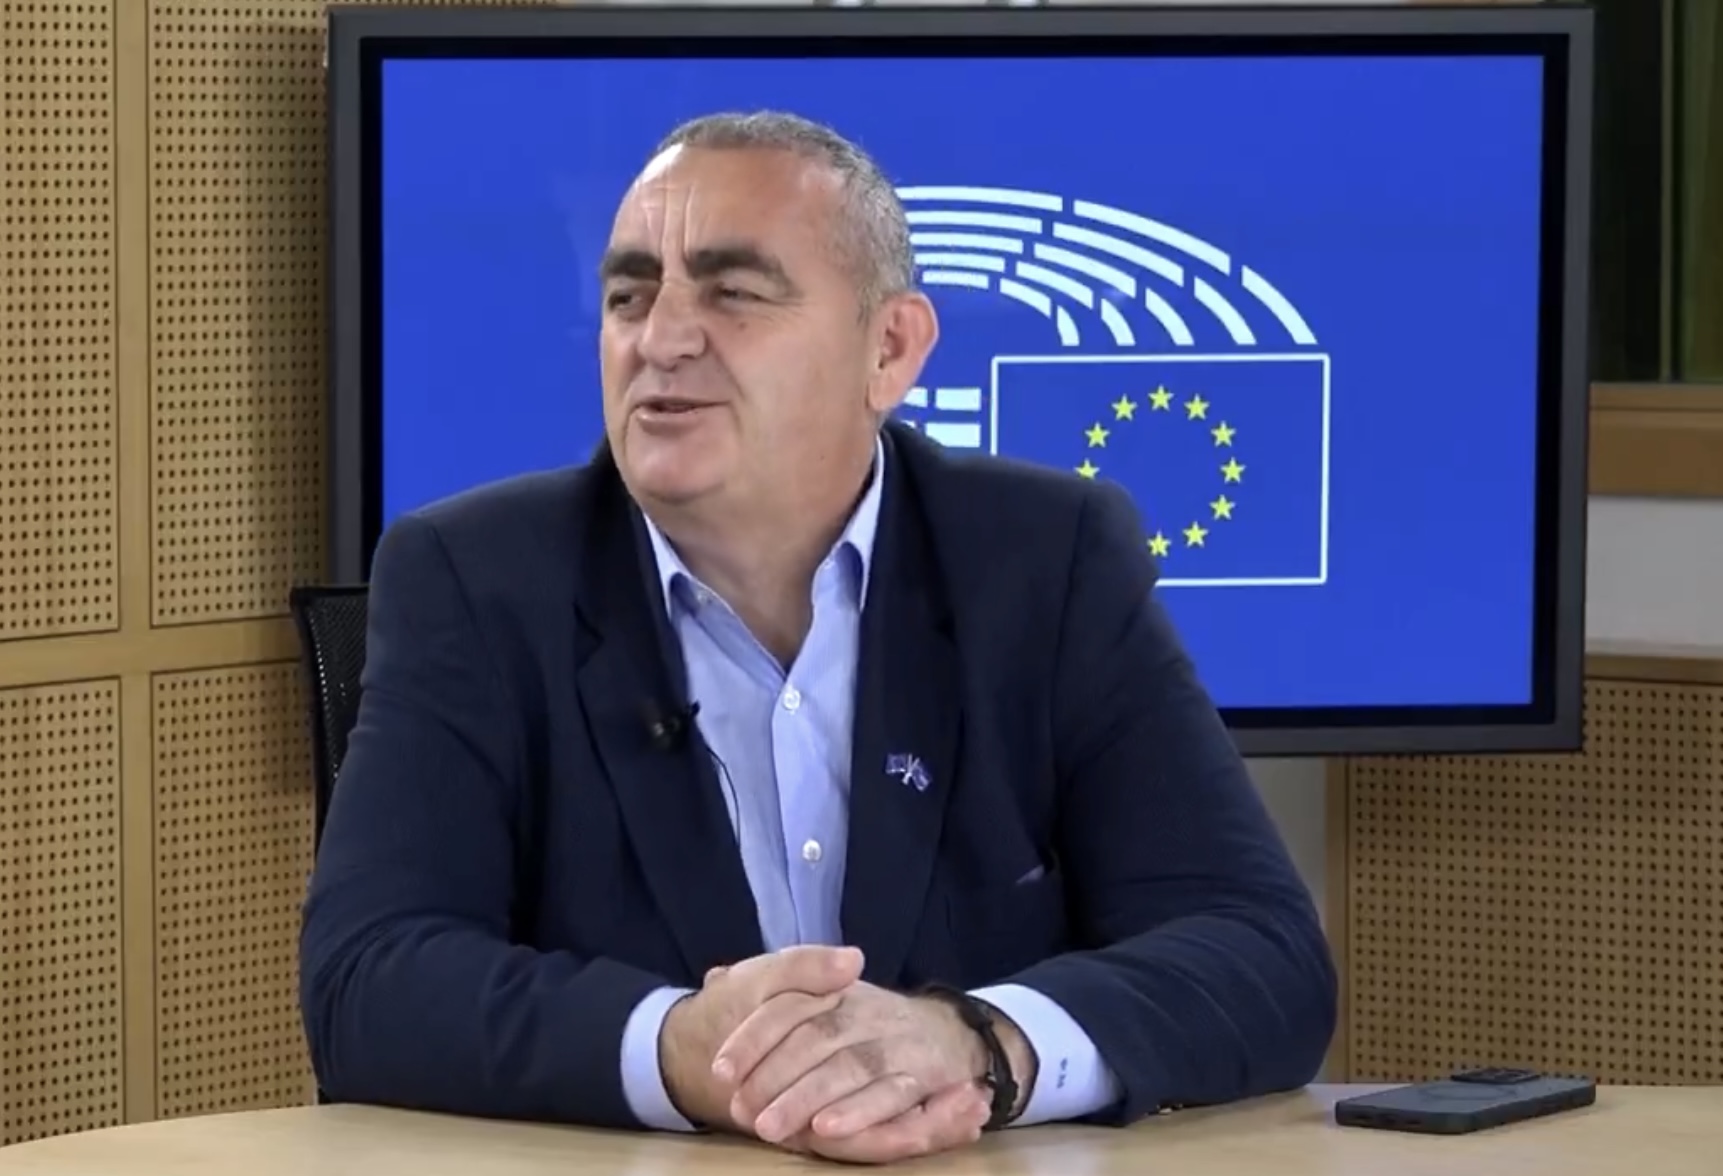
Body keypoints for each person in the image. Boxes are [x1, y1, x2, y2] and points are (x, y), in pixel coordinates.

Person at [298, 110, 1336, 1165]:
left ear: (889, 349)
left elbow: (1262, 955)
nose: (660, 339)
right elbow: (367, 979)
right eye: (629, 296)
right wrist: (678, 1050)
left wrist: (978, 1044)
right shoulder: (473, 579)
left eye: (732, 293)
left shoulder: (1045, 560)